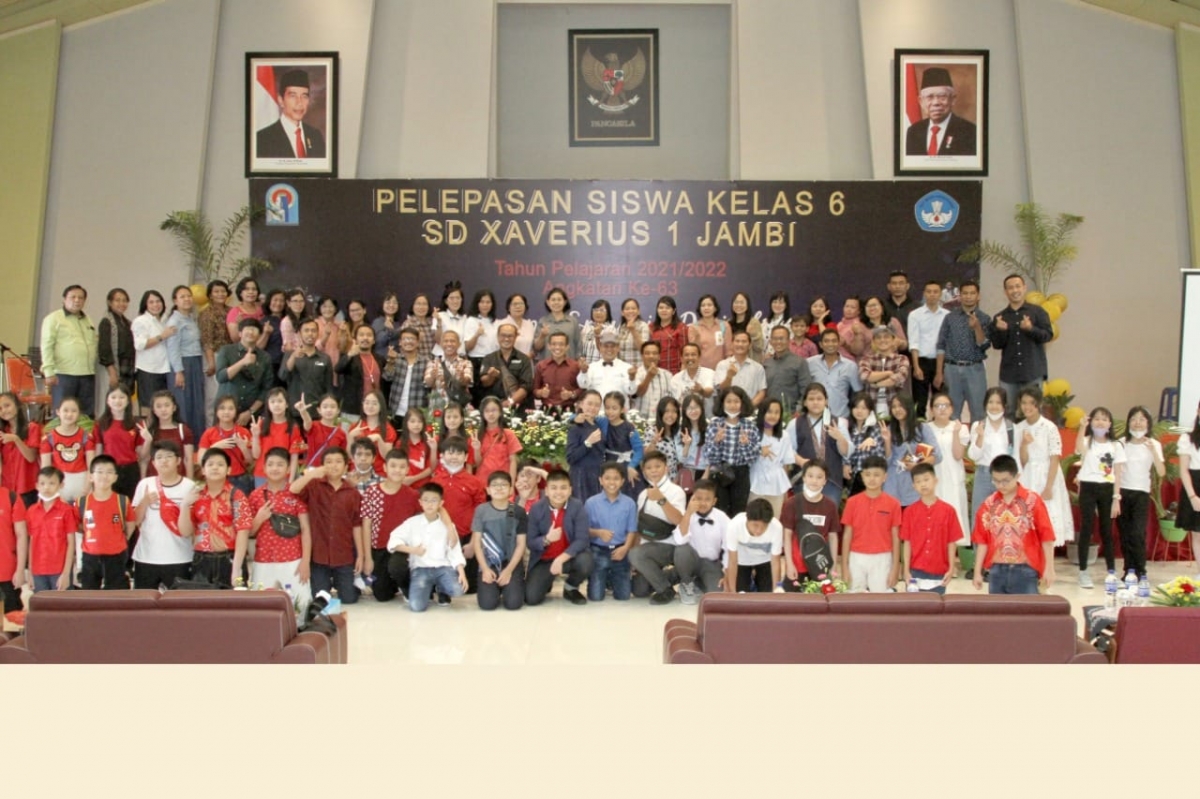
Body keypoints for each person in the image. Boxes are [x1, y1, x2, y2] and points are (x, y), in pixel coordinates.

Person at [238, 447, 312, 612]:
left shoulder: (296, 493)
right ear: (264, 468)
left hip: (293, 559)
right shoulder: (255, 495)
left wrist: (305, 561)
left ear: (288, 469)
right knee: (260, 609)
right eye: (270, 464)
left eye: (280, 464)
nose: (275, 468)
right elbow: (249, 532)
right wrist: (259, 518)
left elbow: (305, 529)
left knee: (301, 607)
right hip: (263, 559)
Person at [971, 454, 1056, 594]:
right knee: (998, 608)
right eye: (996, 481)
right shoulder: (989, 504)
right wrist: (977, 572)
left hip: (1026, 569)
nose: (1001, 485)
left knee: (1026, 608)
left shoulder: (1032, 501)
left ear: (1017, 476)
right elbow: (982, 541)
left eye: (1005, 481)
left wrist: (1050, 568)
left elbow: (1047, 536)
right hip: (996, 571)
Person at [290, 446, 365, 603]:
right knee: (320, 598)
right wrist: (313, 474)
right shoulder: (314, 486)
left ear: (346, 467)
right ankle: (327, 584)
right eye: (328, 462)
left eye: (338, 461)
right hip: (319, 555)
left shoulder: (353, 493)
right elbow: (294, 489)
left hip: (344, 555)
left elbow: (356, 525)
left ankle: (347, 583)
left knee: (349, 598)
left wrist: (360, 554)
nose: (333, 465)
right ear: (322, 465)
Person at [387, 483, 468, 612]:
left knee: (458, 590)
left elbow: (455, 550)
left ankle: (442, 590)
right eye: (426, 500)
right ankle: (426, 589)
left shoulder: (448, 526)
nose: (430, 504)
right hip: (421, 569)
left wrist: (461, 573)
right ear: (420, 502)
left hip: (443, 568)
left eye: (434, 500)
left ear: (441, 503)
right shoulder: (412, 523)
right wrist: (412, 550)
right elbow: (393, 540)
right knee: (416, 607)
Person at [181, 449, 251, 587]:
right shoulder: (196, 495)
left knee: (232, 600)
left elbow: (243, 533)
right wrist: (184, 505)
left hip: (229, 559)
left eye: (220, 464)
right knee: (202, 601)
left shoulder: (237, 496)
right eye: (210, 464)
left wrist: (236, 569)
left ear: (228, 470)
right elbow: (185, 531)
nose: (215, 467)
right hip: (202, 560)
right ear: (203, 470)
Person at [131, 440, 195, 589]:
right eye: (159, 457)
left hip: (180, 557)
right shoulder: (145, 484)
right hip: (146, 557)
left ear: (178, 460)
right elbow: (135, 521)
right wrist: (145, 502)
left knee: (180, 601)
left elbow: (191, 528)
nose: (164, 461)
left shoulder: (189, 486)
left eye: (168, 456)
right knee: (144, 601)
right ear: (153, 463)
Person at [524, 469, 594, 606]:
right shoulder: (536, 508)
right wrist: (547, 539)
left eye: (563, 488)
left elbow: (582, 539)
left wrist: (561, 559)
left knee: (586, 561)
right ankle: (546, 582)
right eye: (554, 488)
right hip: (544, 560)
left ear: (570, 490)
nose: (559, 492)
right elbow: (530, 542)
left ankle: (570, 587)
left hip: (569, 558)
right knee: (531, 599)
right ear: (546, 491)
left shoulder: (577, 506)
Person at [1014, 386, 1073, 546]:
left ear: (1038, 404)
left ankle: (1048, 559)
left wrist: (1049, 486)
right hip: (1028, 476)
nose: (1027, 407)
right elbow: (1022, 460)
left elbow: (1055, 458)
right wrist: (1024, 444)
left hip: (1047, 475)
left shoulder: (1049, 427)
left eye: (1031, 403)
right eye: (1024, 403)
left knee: (1047, 520)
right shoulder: (1019, 428)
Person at [1073, 407, 1125, 587]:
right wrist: (1082, 427)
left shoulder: (1116, 445)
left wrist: (1116, 498)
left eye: (1104, 419)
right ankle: (1083, 572)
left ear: (1110, 423)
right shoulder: (1087, 441)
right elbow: (1078, 448)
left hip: (1107, 489)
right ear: (1091, 422)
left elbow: (1118, 473)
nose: (1100, 422)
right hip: (1088, 487)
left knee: (1106, 531)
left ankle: (1111, 573)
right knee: (1086, 529)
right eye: (1096, 418)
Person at [361, 449, 422, 603]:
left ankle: (407, 585)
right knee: (382, 595)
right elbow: (366, 526)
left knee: (398, 567)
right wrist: (368, 558)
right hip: (379, 548)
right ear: (385, 468)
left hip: (402, 549)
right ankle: (393, 583)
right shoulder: (372, 492)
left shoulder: (413, 495)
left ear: (407, 470)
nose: (397, 470)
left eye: (402, 467)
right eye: (393, 466)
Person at [428, 436, 486, 596]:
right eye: (450, 453)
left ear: (466, 457)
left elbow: (481, 514)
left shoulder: (474, 482)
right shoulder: (435, 481)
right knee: (439, 586)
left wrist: (473, 543)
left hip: (466, 537)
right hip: (441, 537)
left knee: (469, 589)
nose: (454, 457)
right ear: (442, 455)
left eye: (459, 453)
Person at [989, 274, 1052, 418]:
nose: (1014, 290)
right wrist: (1001, 330)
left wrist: (1030, 329)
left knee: (1033, 413)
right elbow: (997, 345)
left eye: (1018, 286)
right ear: (1005, 292)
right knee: (1009, 413)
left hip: (1032, 372)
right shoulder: (1000, 317)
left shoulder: (1038, 312)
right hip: (1008, 375)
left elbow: (1048, 335)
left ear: (1024, 288)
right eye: (1010, 288)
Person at [628, 451, 687, 604]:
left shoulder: (676, 491)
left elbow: (679, 520)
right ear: (643, 471)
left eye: (657, 466)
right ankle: (672, 575)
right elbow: (639, 528)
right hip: (647, 546)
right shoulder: (643, 494)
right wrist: (633, 561)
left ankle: (665, 589)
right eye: (649, 468)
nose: (653, 470)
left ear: (666, 468)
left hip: (669, 546)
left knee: (637, 554)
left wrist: (661, 499)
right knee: (639, 590)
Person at [839, 455, 901, 593]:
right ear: (862, 476)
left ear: (885, 477)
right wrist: (844, 566)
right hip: (856, 556)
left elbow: (896, 537)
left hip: (882, 557)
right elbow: (847, 535)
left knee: (880, 599)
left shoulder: (893, 504)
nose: (872, 479)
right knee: (854, 597)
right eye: (867, 475)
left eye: (876, 475)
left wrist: (895, 567)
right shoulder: (852, 502)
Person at [900, 463, 963, 593]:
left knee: (937, 604)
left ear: (935, 480)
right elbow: (907, 542)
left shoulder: (948, 511)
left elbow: (951, 542)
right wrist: (906, 570)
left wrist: (951, 568)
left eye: (926, 479)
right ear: (913, 486)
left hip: (939, 570)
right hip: (915, 571)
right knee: (914, 605)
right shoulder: (909, 512)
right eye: (918, 481)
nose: (923, 484)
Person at [1117, 406, 1164, 580]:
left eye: (1142, 419)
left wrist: (1153, 451)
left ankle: (1141, 569)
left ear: (1148, 423)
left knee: (1137, 532)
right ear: (1128, 422)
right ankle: (1128, 570)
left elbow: (1161, 472)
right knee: (1125, 533)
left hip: (1141, 493)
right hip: (1122, 491)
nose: (1137, 423)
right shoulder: (1121, 443)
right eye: (1134, 419)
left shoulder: (1154, 444)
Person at [779, 460, 841, 590]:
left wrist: (833, 565)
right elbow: (787, 535)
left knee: (819, 600)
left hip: (820, 564)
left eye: (819, 477)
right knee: (792, 600)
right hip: (796, 565)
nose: (814, 480)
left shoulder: (830, 506)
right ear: (804, 478)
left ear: (825, 480)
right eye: (810, 476)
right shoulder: (792, 503)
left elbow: (833, 537)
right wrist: (789, 563)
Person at [471, 471, 528, 611]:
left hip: (511, 562)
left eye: (503, 485)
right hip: (489, 561)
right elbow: (477, 543)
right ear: (488, 490)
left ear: (511, 489)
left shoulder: (518, 511)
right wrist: (485, 569)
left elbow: (521, 544)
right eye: (495, 485)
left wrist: (508, 570)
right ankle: (496, 587)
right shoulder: (481, 510)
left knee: (513, 604)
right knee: (487, 605)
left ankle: (510, 585)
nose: (499, 488)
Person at [585, 461, 639, 602]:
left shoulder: (629, 503)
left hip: (620, 551)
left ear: (622, 481)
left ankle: (610, 577)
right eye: (607, 478)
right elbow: (585, 530)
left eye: (616, 478)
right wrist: (598, 533)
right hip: (598, 550)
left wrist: (625, 548)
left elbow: (632, 530)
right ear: (600, 480)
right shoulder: (591, 503)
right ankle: (602, 576)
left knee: (623, 596)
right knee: (596, 597)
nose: (611, 482)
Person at [41, 284, 98, 415]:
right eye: (73, 297)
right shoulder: (53, 318)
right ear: (64, 299)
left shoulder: (87, 319)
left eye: (81, 298)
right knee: (63, 412)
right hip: (63, 374)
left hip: (87, 374)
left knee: (85, 414)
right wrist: (48, 371)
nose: (77, 300)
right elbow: (47, 346)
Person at [786, 383, 847, 505]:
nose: (815, 402)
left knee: (828, 514)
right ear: (804, 402)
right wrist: (801, 461)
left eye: (819, 399)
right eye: (811, 399)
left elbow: (847, 452)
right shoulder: (795, 424)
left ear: (826, 401)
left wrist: (840, 438)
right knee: (804, 515)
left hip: (831, 480)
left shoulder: (838, 422)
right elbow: (786, 450)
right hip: (804, 480)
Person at [703, 386, 760, 516]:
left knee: (739, 513)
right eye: (728, 401)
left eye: (736, 401)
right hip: (720, 472)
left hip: (741, 474)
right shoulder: (714, 425)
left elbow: (753, 458)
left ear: (742, 403)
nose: (732, 405)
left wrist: (745, 444)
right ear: (722, 403)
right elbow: (709, 457)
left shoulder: (749, 426)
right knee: (720, 512)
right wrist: (716, 442)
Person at [926, 393, 971, 552]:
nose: (942, 409)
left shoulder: (960, 428)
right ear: (931, 410)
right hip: (933, 478)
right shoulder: (926, 429)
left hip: (953, 477)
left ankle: (951, 557)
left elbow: (958, 455)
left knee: (954, 513)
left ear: (952, 409)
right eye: (938, 406)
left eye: (946, 405)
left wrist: (956, 433)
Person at [671, 479, 728, 602]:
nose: (702, 503)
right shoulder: (687, 515)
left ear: (714, 501)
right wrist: (688, 513)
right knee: (682, 549)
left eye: (707, 499)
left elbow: (729, 547)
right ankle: (686, 582)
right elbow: (679, 541)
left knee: (717, 594)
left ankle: (697, 583)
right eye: (699, 498)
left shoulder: (722, 517)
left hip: (711, 564)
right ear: (693, 498)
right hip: (691, 562)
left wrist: (726, 572)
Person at [881, 392, 940, 509]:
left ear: (908, 406)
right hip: (893, 482)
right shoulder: (888, 429)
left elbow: (937, 455)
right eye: (894, 407)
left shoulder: (922, 428)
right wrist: (887, 441)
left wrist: (918, 465)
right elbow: (887, 461)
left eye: (900, 405)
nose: (897, 409)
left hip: (914, 482)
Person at [25, 467, 78, 591]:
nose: (46, 487)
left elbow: (71, 543)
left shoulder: (67, 510)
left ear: (61, 485)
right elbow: (32, 542)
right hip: (38, 571)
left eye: (52, 483)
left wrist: (66, 573)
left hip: (59, 570)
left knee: (61, 603)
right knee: (41, 603)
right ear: (37, 486)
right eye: (42, 483)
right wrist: (30, 572)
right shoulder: (31, 511)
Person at [904, 66, 978, 156]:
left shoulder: (969, 132)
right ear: (921, 101)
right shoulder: (913, 132)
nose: (936, 103)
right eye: (929, 97)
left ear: (953, 99)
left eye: (942, 96)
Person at [164, 285, 206, 440]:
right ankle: (184, 440)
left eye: (189, 296)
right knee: (183, 404)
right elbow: (172, 348)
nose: (187, 299)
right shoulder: (174, 321)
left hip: (195, 363)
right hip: (182, 365)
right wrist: (178, 371)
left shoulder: (191, 318)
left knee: (196, 403)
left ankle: (197, 441)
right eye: (182, 297)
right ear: (175, 301)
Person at [256, 68, 326, 158]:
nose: (299, 102)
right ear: (281, 100)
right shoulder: (263, 139)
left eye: (304, 96)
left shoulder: (315, 136)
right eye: (293, 96)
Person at [967, 387, 1014, 519]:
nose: (994, 406)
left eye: (998, 402)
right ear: (985, 404)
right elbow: (973, 456)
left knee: (1004, 517)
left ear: (1004, 405)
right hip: (983, 475)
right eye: (990, 402)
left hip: (1005, 476)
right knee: (980, 516)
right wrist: (980, 437)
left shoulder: (1011, 427)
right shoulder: (978, 425)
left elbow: (1014, 455)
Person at [216, 318, 271, 424]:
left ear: (259, 335)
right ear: (240, 333)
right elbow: (221, 377)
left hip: (250, 413)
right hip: (225, 412)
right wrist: (242, 362)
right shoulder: (226, 350)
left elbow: (266, 389)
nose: (251, 332)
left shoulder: (265, 357)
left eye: (254, 329)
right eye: (247, 329)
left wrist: (250, 412)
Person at [39, 395, 94, 505]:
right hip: (59, 485)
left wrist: (87, 487)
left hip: (82, 484)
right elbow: (46, 468)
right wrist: (50, 490)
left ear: (79, 414)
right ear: (58, 412)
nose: (69, 414)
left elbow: (91, 465)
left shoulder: (86, 437)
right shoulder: (48, 439)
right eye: (65, 410)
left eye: (74, 411)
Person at [906, 280, 949, 417]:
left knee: (940, 400)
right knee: (919, 402)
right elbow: (913, 342)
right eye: (929, 291)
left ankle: (940, 425)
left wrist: (940, 371)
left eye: (935, 292)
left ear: (940, 294)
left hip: (941, 362)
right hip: (921, 361)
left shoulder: (948, 315)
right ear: (924, 293)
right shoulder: (915, 315)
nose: (932, 294)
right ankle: (919, 426)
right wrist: (916, 366)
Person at [93, 384, 142, 500]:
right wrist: (96, 474)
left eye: (122, 397)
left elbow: (142, 455)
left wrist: (148, 440)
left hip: (130, 470)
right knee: (110, 503)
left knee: (129, 504)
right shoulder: (101, 424)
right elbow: (98, 453)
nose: (117, 401)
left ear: (128, 400)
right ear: (107, 401)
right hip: (109, 470)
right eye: (113, 397)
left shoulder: (136, 423)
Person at [723, 498, 783, 593]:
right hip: (741, 560)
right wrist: (733, 592)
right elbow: (732, 561)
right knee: (741, 593)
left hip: (765, 560)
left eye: (764, 526)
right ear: (747, 518)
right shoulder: (734, 526)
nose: (759, 531)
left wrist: (776, 589)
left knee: (767, 594)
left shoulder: (776, 527)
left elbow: (775, 562)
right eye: (755, 525)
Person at [199, 395, 254, 496]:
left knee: (240, 505)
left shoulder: (244, 432)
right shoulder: (209, 433)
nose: (226, 412)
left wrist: (243, 447)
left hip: (240, 479)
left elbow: (251, 461)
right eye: (222, 408)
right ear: (216, 411)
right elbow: (200, 460)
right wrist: (215, 447)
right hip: (216, 478)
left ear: (236, 411)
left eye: (230, 408)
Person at [749, 399, 793, 517]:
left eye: (776, 412)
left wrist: (785, 489)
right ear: (762, 412)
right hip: (756, 480)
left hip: (776, 482)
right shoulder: (753, 433)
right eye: (769, 412)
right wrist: (759, 451)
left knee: (774, 518)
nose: (773, 416)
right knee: (754, 516)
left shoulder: (784, 436)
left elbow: (785, 464)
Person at [807, 327, 862, 420]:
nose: (830, 344)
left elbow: (858, 392)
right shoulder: (810, 363)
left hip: (841, 417)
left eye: (834, 341)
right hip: (814, 417)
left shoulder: (850, 366)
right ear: (820, 344)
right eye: (826, 341)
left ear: (839, 343)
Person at [198, 280, 232, 426]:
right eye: (216, 291)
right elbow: (207, 341)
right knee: (213, 397)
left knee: (228, 397)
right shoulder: (206, 314)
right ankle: (210, 431)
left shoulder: (231, 311)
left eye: (223, 291)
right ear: (210, 295)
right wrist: (211, 362)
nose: (220, 294)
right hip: (214, 356)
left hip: (230, 357)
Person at [251, 387, 303, 485]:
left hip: (284, 475)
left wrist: (291, 480)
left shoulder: (293, 427)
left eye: (280, 401)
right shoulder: (261, 425)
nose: (276, 405)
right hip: (262, 474)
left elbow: (294, 456)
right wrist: (255, 436)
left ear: (286, 404)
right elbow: (255, 455)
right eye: (273, 402)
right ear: (268, 405)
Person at [478, 322, 534, 411]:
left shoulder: (524, 359)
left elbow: (526, 386)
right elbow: (484, 382)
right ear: (497, 336)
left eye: (510, 336)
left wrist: (510, 402)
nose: (506, 339)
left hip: (519, 408)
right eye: (503, 335)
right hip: (494, 408)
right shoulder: (489, 358)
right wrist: (491, 376)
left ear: (515, 337)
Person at [0, 392, 42, 508]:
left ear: (17, 405)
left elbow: (31, 457)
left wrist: (16, 439)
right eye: (0, 408)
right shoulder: (3, 431)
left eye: (7, 405)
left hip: (28, 488)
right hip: (7, 489)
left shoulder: (32, 428)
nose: (4, 410)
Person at [337, 324, 386, 420]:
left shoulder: (380, 359)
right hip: (353, 409)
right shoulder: (350, 357)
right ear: (355, 339)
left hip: (374, 409)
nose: (365, 338)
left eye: (369, 335)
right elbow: (338, 369)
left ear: (374, 340)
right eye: (361, 335)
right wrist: (350, 354)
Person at [1174, 401, 1200, 580]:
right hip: (1195, 486)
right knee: (1197, 533)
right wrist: (1192, 496)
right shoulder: (1187, 438)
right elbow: (1183, 470)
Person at [859, 325, 910, 418]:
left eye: (886, 337)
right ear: (873, 341)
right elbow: (865, 376)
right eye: (878, 337)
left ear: (893, 340)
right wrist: (888, 373)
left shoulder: (902, 359)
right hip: (871, 408)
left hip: (894, 408)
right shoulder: (866, 359)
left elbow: (898, 378)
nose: (882, 340)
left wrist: (876, 384)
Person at [601, 391, 643, 499]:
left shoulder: (629, 428)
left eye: (614, 408)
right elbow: (584, 417)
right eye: (607, 408)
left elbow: (639, 449)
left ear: (622, 409)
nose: (610, 411)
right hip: (610, 465)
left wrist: (632, 466)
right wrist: (575, 418)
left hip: (627, 467)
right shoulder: (603, 422)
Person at [566, 390, 606, 502]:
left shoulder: (598, 424)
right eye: (589, 403)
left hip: (597, 475)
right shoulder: (575, 427)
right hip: (581, 476)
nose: (593, 408)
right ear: (581, 404)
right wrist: (588, 442)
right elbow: (570, 457)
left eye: (597, 405)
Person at [763, 324, 813, 412]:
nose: (778, 342)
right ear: (770, 341)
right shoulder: (767, 363)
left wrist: (799, 411)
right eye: (775, 339)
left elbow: (806, 389)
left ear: (789, 340)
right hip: (770, 413)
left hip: (791, 413)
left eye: (782, 338)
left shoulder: (799, 362)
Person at [383, 327, 430, 419]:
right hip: (396, 410)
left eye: (412, 339)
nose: (408, 342)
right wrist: (391, 361)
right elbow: (387, 377)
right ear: (400, 342)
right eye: (405, 339)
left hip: (417, 412)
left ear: (418, 342)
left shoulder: (426, 362)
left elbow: (428, 386)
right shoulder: (395, 359)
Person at [474, 396, 521, 486]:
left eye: (494, 410)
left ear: (500, 412)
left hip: (503, 482)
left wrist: (511, 484)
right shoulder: (478, 435)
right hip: (483, 482)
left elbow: (513, 461)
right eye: (487, 411)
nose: (491, 414)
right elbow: (477, 463)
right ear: (482, 414)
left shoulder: (508, 434)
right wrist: (476, 449)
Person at [577, 328, 634, 403]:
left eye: (613, 346)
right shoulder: (591, 367)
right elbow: (583, 385)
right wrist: (584, 372)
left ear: (618, 348)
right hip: (596, 409)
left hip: (619, 409)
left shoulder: (627, 368)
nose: (609, 349)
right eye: (606, 346)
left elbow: (631, 391)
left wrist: (632, 378)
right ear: (600, 347)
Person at [714, 330, 767, 408]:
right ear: (732, 344)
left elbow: (761, 392)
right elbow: (721, 390)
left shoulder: (758, 368)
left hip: (750, 410)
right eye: (737, 341)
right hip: (728, 410)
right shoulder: (722, 365)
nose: (740, 344)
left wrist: (748, 407)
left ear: (750, 345)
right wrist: (729, 377)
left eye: (744, 341)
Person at [423, 329, 473, 410]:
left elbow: (467, 381)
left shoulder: (466, 363)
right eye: (446, 341)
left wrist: (462, 378)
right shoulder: (433, 363)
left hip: (459, 406)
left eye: (452, 341)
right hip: (438, 407)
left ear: (459, 344)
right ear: (441, 344)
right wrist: (432, 376)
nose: (449, 344)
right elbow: (428, 384)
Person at [295, 393, 347, 471]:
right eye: (325, 407)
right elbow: (307, 421)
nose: (329, 410)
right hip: (313, 471)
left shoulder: (341, 433)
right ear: (319, 410)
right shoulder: (313, 426)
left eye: (333, 407)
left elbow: (342, 456)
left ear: (338, 411)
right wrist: (303, 412)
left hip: (332, 471)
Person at [533, 330, 581, 411]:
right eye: (554, 344)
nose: (557, 347)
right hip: (546, 409)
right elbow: (534, 390)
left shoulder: (575, 366)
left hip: (568, 409)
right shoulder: (541, 366)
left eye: (561, 344)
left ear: (567, 347)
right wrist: (541, 393)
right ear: (548, 346)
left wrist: (571, 394)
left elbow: (583, 389)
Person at [0, 480, 28, 617]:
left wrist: (20, 570)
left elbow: (21, 535)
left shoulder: (11, 497)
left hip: (7, 573)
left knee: (12, 620)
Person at [533, 286, 581, 361]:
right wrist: (542, 336)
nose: (556, 302)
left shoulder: (573, 321)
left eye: (559, 299)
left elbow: (578, 346)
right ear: (548, 302)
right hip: (547, 365)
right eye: (553, 300)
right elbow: (537, 348)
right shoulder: (542, 321)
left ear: (565, 302)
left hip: (568, 365)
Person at [433, 281, 478, 359]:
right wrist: (439, 323)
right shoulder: (439, 316)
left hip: (460, 357)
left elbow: (466, 342)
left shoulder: (465, 318)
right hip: (442, 357)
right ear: (446, 301)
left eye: (458, 298)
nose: (455, 301)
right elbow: (438, 340)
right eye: (451, 298)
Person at [670, 343, 716, 416]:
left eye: (693, 355)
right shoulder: (675, 379)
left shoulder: (709, 373)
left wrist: (701, 391)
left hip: (706, 418)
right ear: (681, 358)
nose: (690, 358)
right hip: (684, 419)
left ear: (699, 357)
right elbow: (675, 403)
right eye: (686, 355)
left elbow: (709, 392)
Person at [631, 340, 672, 419]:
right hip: (640, 421)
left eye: (654, 353)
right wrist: (649, 376)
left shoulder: (668, 375)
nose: (651, 356)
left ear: (659, 356)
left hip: (661, 420)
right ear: (642, 356)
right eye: (647, 353)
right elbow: (637, 393)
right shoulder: (636, 374)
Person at [648, 296, 688, 374]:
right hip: (655, 370)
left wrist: (682, 372)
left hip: (675, 371)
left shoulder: (681, 327)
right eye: (661, 308)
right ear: (657, 310)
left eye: (667, 308)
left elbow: (684, 351)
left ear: (673, 311)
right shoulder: (651, 327)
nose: (664, 310)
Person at [688, 294, 729, 370]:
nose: (706, 308)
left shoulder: (724, 325)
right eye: (703, 305)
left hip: (720, 370)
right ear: (700, 309)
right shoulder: (694, 327)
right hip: (700, 371)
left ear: (715, 308)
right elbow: (693, 352)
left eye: (709, 305)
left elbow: (729, 352)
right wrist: (697, 337)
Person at [728, 292, 764, 362]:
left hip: (750, 363)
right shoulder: (728, 324)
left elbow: (759, 347)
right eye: (736, 302)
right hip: (733, 363)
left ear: (747, 305)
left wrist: (753, 335)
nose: (739, 305)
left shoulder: (754, 323)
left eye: (742, 302)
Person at [499, 293, 536, 359]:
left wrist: (532, 354)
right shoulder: (502, 324)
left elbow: (533, 347)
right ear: (508, 308)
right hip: (508, 362)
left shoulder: (529, 324)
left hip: (527, 362)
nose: (518, 306)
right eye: (515, 304)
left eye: (521, 304)